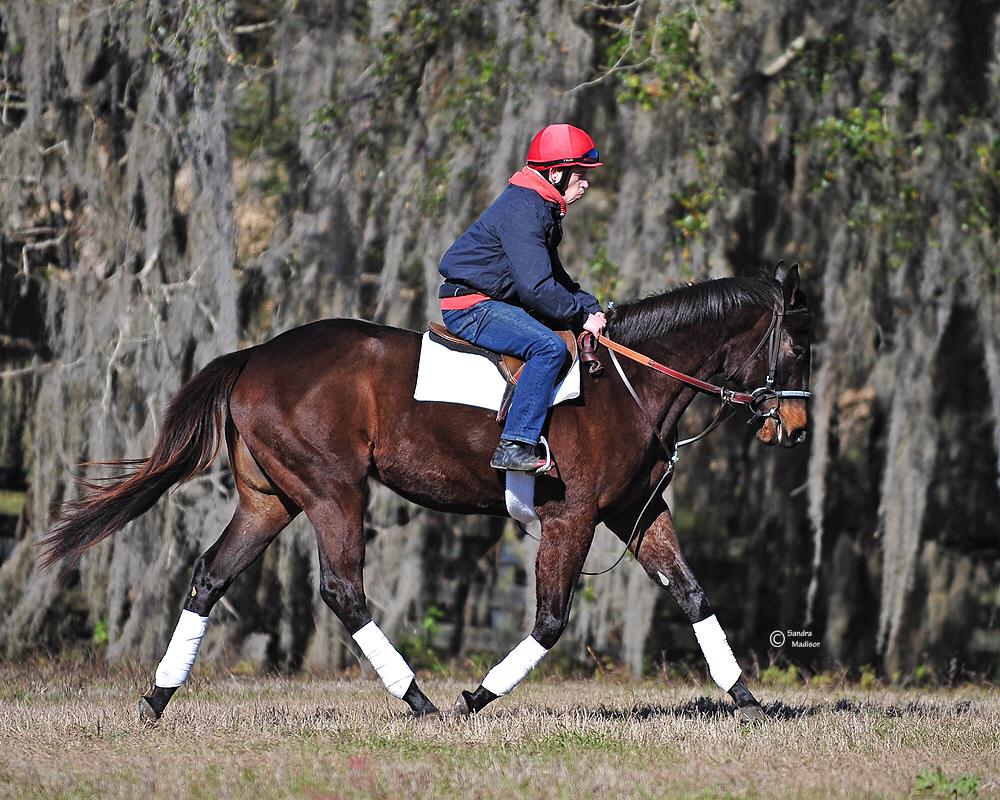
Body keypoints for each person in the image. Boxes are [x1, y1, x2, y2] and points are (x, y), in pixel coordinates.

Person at [438, 123, 607, 472]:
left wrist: (591, 308)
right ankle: (515, 444)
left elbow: (555, 278)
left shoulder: (539, 207)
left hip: (491, 301)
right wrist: (580, 316)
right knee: (550, 348)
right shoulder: (525, 210)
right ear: (557, 173)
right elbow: (537, 289)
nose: (586, 184)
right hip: (471, 307)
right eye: (581, 175)